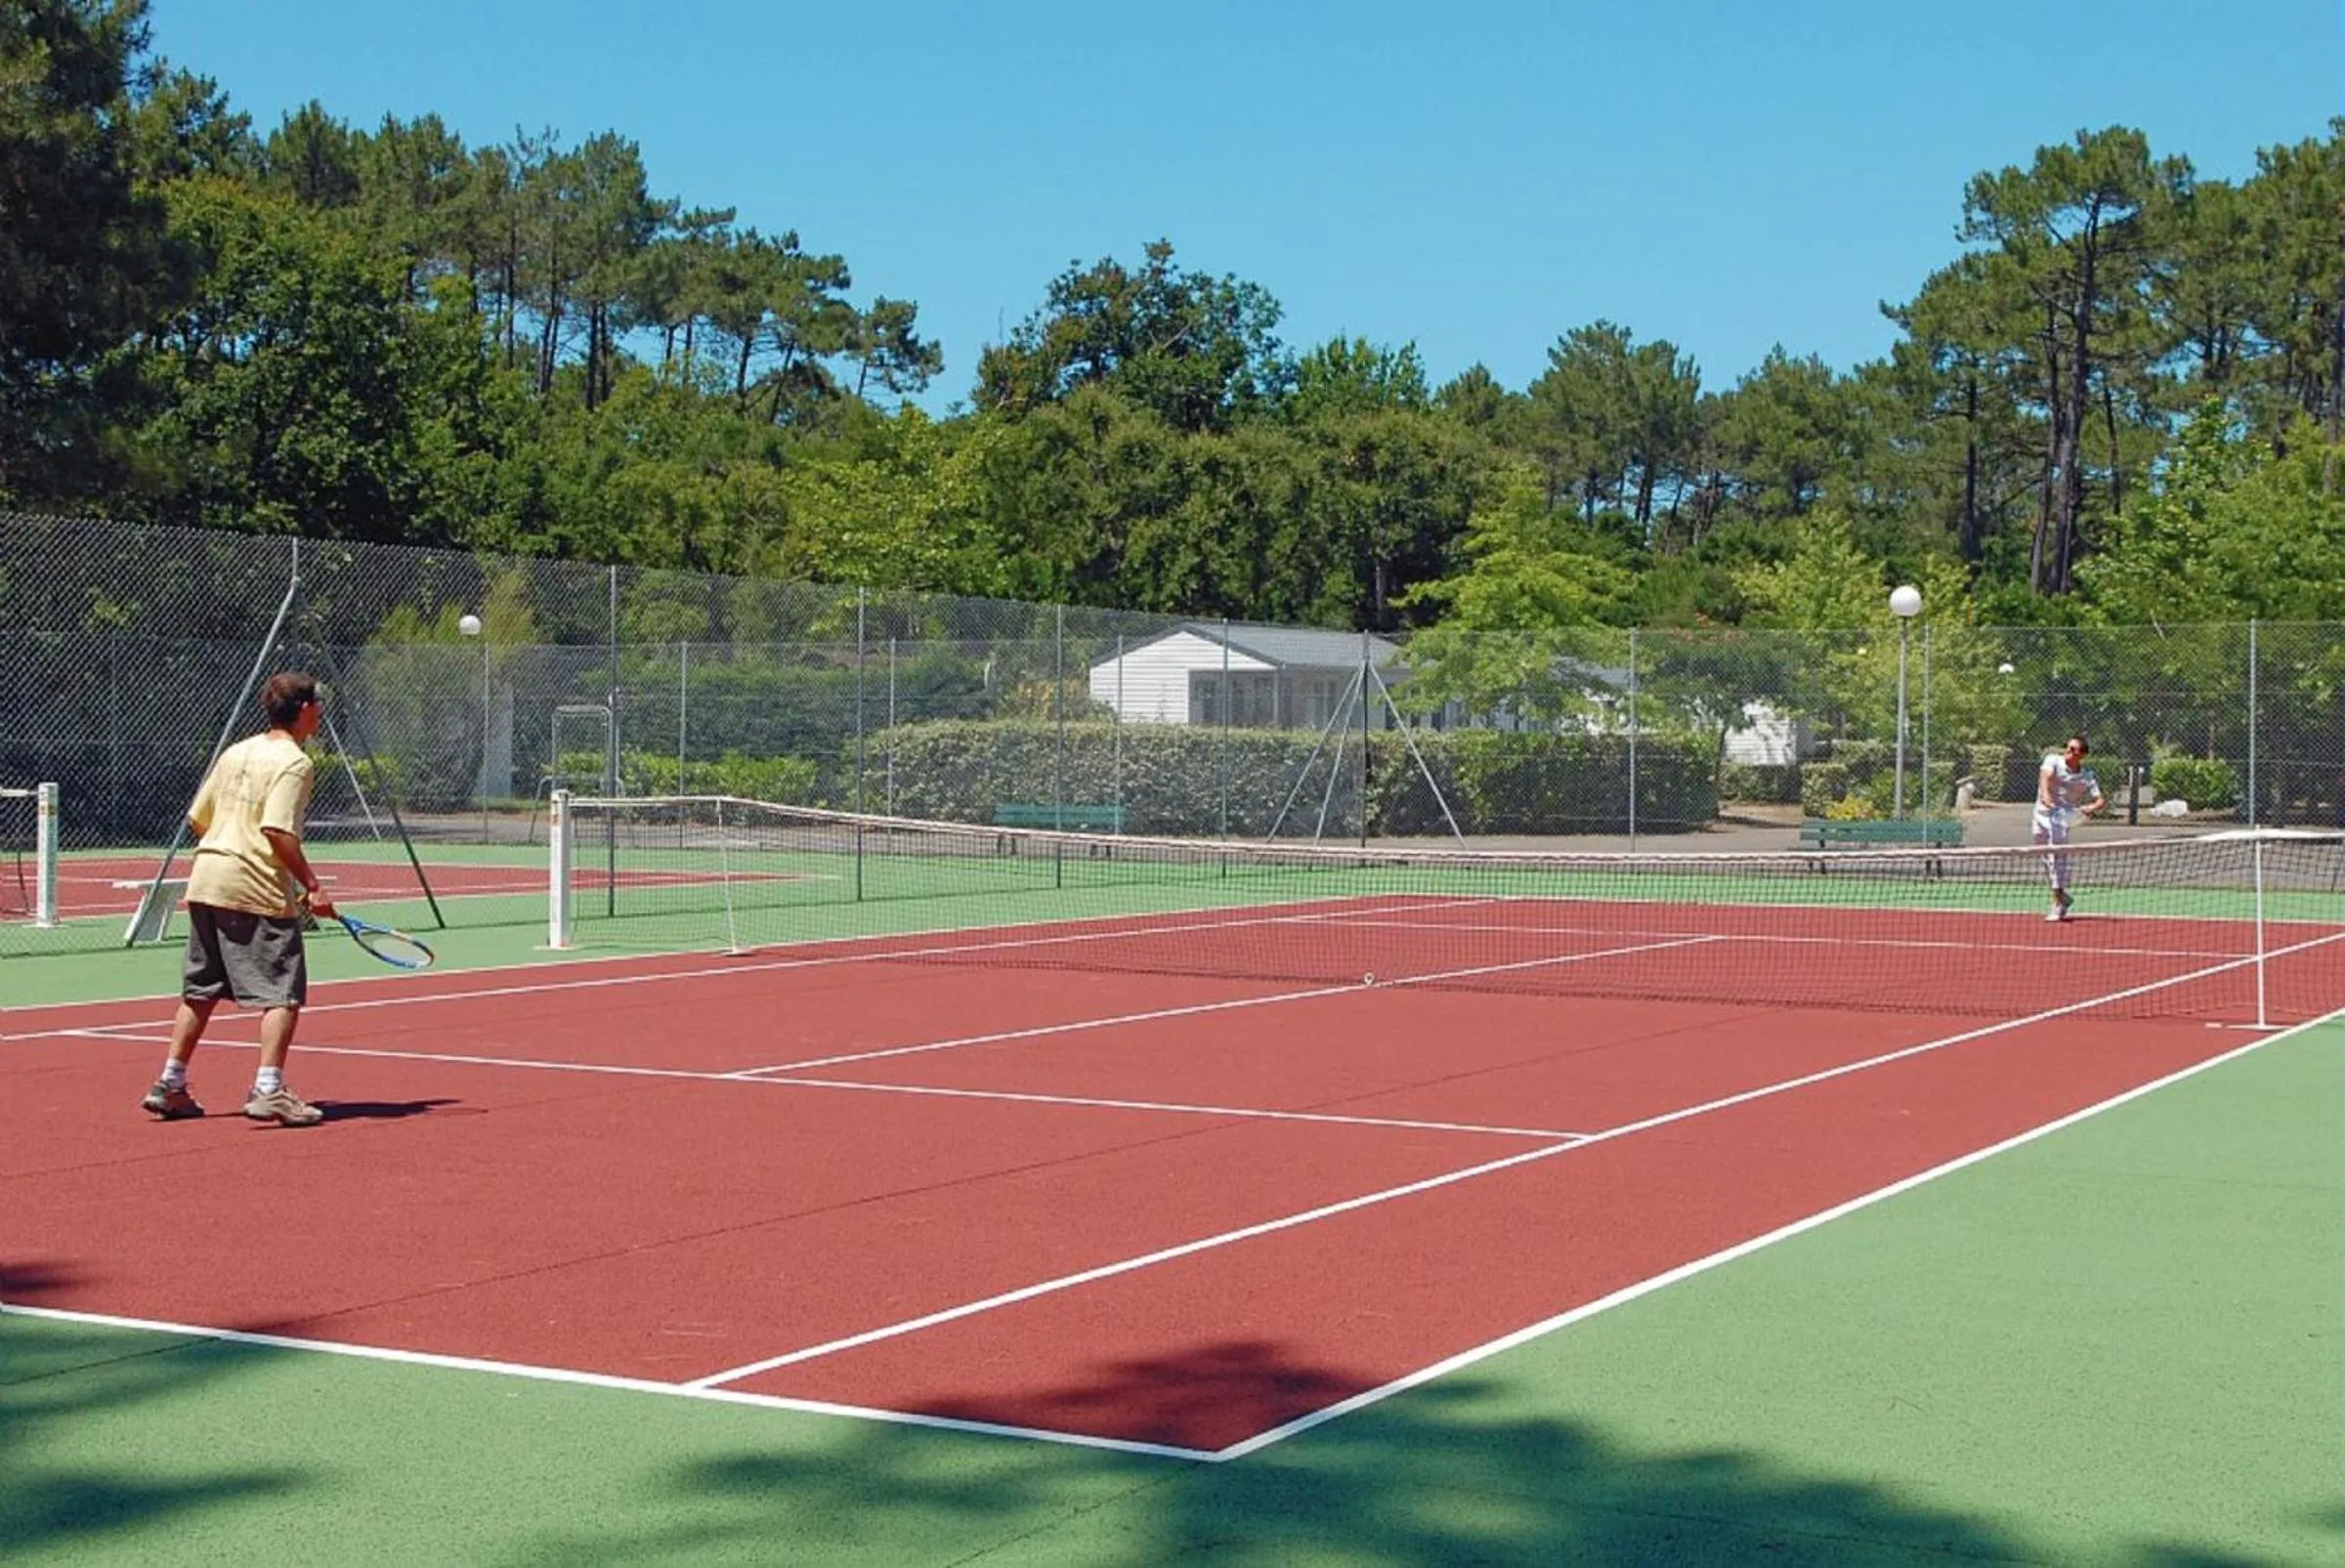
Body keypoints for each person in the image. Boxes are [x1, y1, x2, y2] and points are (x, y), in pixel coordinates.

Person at [141, 672, 338, 1126]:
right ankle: (269, 1090)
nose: (321, 713)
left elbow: (199, 819)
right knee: (283, 993)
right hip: (253, 887)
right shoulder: (294, 762)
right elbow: (277, 830)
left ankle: (170, 1084)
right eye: (317, 706)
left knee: (201, 991)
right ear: (304, 710)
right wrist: (313, 885)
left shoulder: (235, 752)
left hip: (207, 879)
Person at [2033, 733, 2107, 922]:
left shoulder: (2086, 776)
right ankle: (2062, 896)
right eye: (2067, 747)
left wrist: (2090, 808)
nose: (2068, 751)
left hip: (2060, 820)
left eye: (2073, 750)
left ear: (2082, 755)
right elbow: (2045, 777)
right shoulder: (2053, 760)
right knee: (2045, 858)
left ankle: (2057, 903)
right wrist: (2046, 797)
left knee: (2056, 858)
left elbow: (2100, 800)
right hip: (2040, 815)